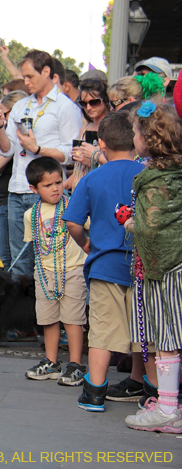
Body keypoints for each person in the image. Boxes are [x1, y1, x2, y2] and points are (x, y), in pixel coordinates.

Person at [63, 110, 145, 412]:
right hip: (143, 266)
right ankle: (146, 385)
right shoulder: (146, 174)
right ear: (137, 142)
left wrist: (87, 245)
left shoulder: (93, 177)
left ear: (101, 144)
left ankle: (95, 391)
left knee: (101, 330)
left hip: (104, 265)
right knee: (143, 329)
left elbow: (72, 221)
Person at [0, 49, 83, 278]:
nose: (26, 82)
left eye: (30, 76)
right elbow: (8, 148)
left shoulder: (65, 106)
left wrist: (38, 149)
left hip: (44, 190)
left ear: (47, 72)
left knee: (43, 258)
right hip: (17, 188)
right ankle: (23, 312)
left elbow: (71, 153)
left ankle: (43, 311)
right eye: (25, 77)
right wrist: (0, 126)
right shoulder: (21, 106)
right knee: (16, 259)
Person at [124, 102, 182, 432]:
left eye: (135, 131)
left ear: (150, 137)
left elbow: (152, 227)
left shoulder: (154, 179)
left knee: (167, 338)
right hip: (177, 266)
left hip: (164, 271)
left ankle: (168, 407)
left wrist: (132, 224)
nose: (133, 136)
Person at [22, 157, 88, 386]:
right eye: (47, 185)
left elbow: (87, 228)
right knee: (48, 318)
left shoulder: (73, 206)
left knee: (73, 319)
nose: (55, 188)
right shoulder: (31, 214)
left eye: (58, 182)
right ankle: (51, 362)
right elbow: (35, 247)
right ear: (34, 188)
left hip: (73, 270)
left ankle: (75, 364)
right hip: (44, 273)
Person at [0, 91, 28, 271]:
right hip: (6, 198)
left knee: (17, 258)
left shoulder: (22, 137)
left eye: (5, 113)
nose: (2, 118)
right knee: (7, 257)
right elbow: (3, 151)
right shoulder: (6, 132)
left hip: (16, 199)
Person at [67, 79, 110, 190]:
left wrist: (93, 160)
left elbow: (117, 164)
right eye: (83, 103)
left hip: (101, 187)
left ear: (105, 100)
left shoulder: (112, 127)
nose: (89, 107)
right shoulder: (84, 128)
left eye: (94, 102)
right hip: (80, 188)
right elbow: (78, 169)